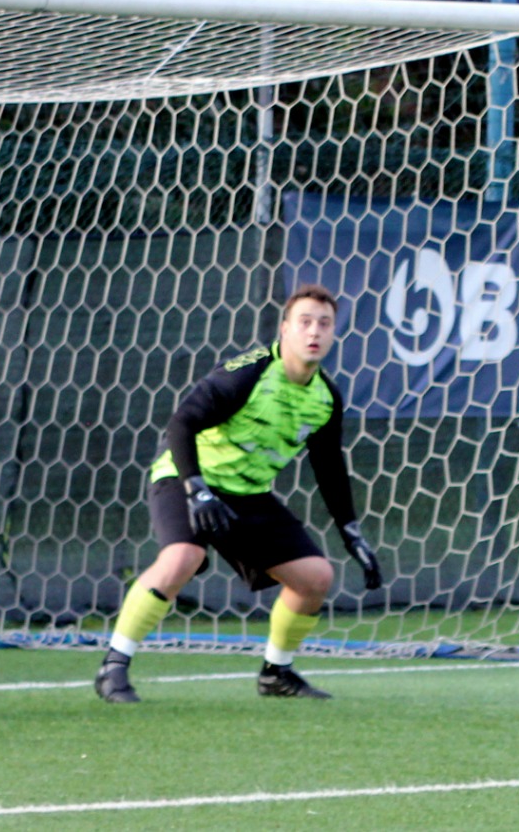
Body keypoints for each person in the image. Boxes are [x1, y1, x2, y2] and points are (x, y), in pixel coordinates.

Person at [94, 284, 384, 703]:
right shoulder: (248, 373)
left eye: (324, 324)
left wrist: (350, 531)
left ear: (333, 333)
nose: (314, 332)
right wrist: (197, 490)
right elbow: (181, 423)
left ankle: (276, 674)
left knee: (315, 577)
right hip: (186, 475)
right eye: (304, 322)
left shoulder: (325, 398)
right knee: (182, 557)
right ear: (285, 329)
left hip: (246, 493)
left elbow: (329, 468)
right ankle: (113, 667)